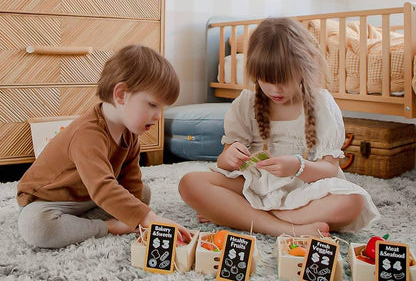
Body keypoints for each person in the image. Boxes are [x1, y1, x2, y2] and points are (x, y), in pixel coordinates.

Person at [179, 17, 380, 237]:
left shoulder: (321, 103)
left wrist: (298, 166)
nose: (275, 89)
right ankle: (286, 228)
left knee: (353, 202)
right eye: (266, 80)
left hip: (303, 189)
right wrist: (228, 158)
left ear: (303, 68)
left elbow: (330, 169)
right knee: (190, 183)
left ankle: (239, 214)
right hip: (253, 184)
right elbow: (225, 162)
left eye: (283, 79)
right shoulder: (246, 103)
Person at [17, 44, 191, 248]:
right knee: (37, 227)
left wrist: (139, 219)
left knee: (143, 194)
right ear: (121, 94)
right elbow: (102, 186)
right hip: (49, 201)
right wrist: (146, 218)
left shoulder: (129, 133)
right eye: (153, 105)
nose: (159, 116)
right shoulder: (87, 134)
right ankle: (106, 226)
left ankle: (89, 223)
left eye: (162, 108)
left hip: (90, 196)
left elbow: (131, 179)